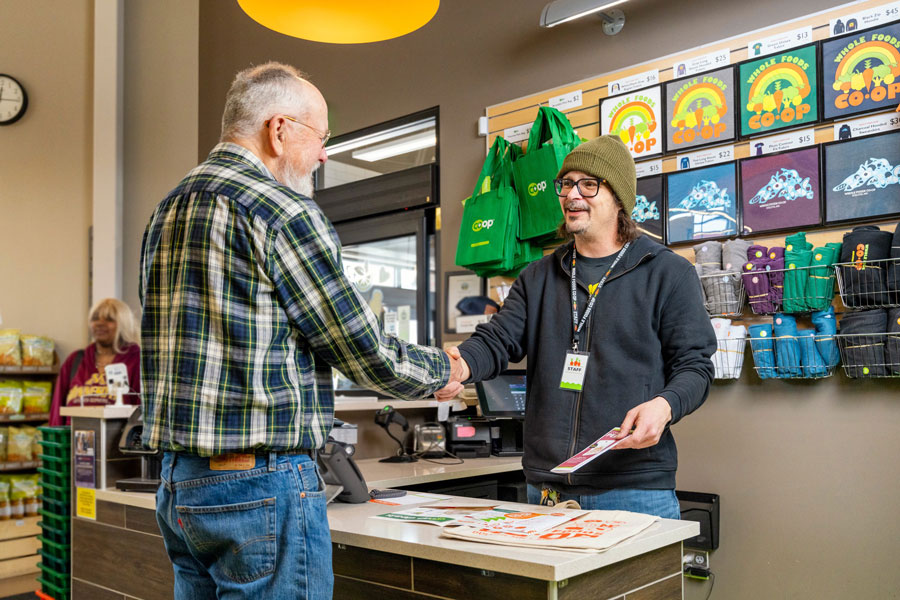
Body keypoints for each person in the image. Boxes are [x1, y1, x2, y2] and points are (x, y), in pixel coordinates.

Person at [139, 62, 465, 600]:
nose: (324, 154)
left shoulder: (167, 209)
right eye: (321, 137)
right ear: (280, 128)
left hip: (180, 484)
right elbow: (362, 350)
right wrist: (443, 370)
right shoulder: (282, 210)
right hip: (260, 484)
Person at [440, 135, 716, 519]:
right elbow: (497, 341)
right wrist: (458, 367)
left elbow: (696, 367)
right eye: (566, 183)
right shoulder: (538, 276)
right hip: (548, 489)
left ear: (618, 197)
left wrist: (664, 405)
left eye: (589, 184)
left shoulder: (668, 273)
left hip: (635, 487)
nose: (573, 195)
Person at [49, 298, 141, 425]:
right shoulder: (75, 360)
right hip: (72, 441)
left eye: (109, 319)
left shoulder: (136, 360)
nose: (99, 323)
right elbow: (57, 409)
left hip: (116, 442)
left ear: (124, 324)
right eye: (95, 318)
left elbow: (141, 411)